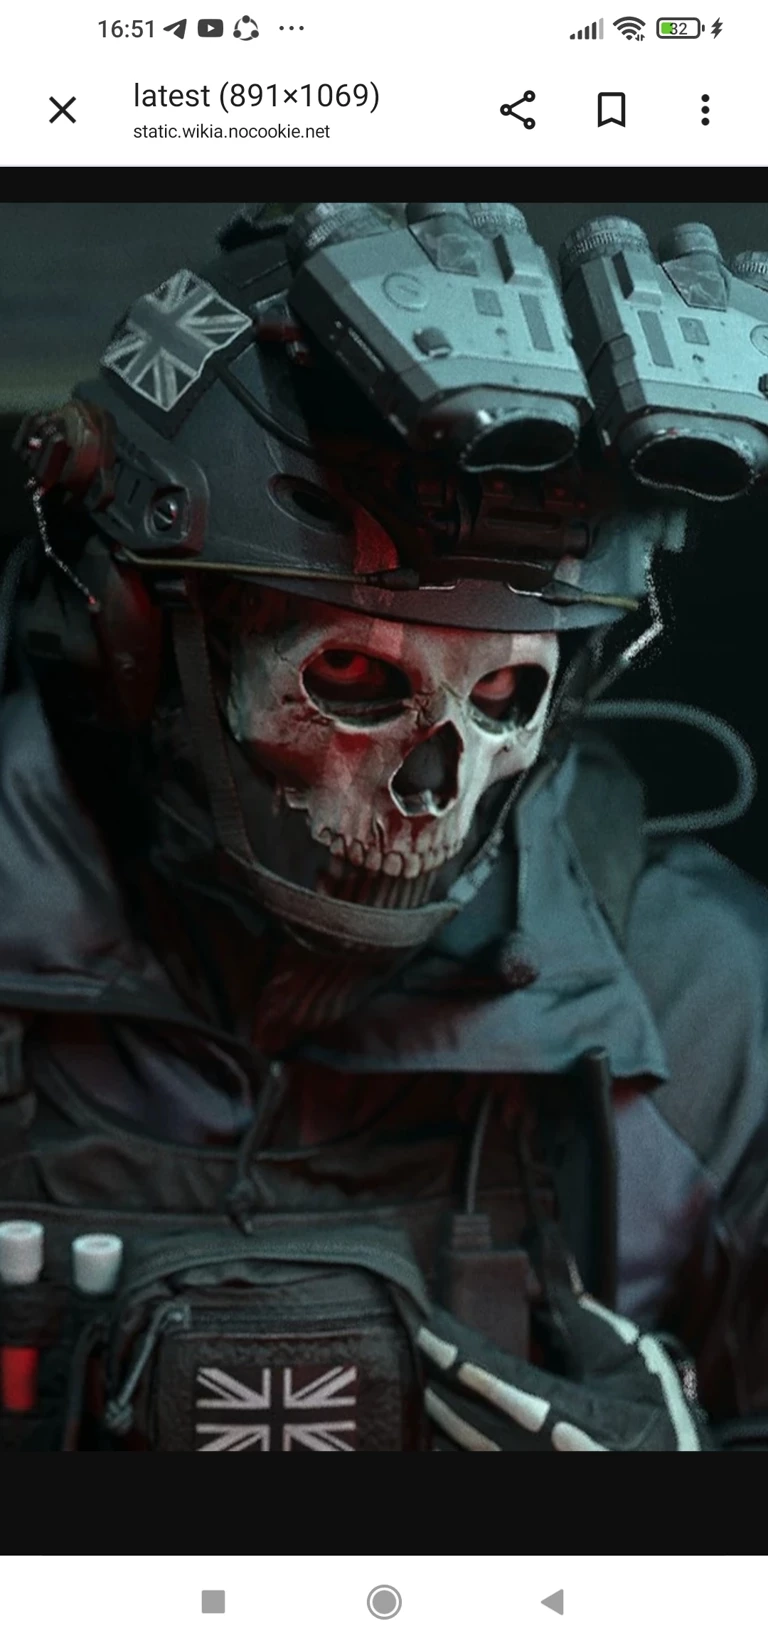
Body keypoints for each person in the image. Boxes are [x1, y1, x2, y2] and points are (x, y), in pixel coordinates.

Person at [1, 199, 767, 1451]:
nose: (434, 790)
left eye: (504, 695)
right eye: (353, 678)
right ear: (138, 647)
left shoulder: (698, 1003)